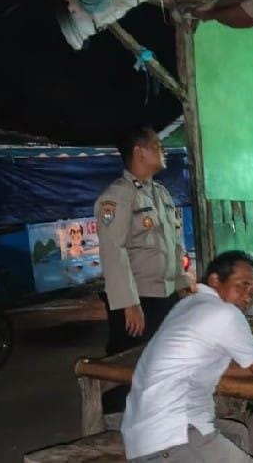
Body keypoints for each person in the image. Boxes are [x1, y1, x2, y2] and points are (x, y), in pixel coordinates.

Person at [121, 250, 253, 462]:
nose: (248, 297)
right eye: (242, 285)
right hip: (173, 436)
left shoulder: (188, 305)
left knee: (236, 434)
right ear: (215, 280)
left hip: (140, 434)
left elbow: (222, 368)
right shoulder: (225, 313)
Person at [95, 126, 189, 411]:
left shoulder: (160, 193)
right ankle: (115, 421)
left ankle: (158, 415)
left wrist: (182, 284)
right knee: (127, 367)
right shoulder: (118, 196)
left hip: (165, 295)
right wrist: (129, 303)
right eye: (157, 146)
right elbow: (113, 250)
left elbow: (173, 244)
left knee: (161, 361)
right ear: (139, 152)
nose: (164, 151)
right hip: (138, 299)